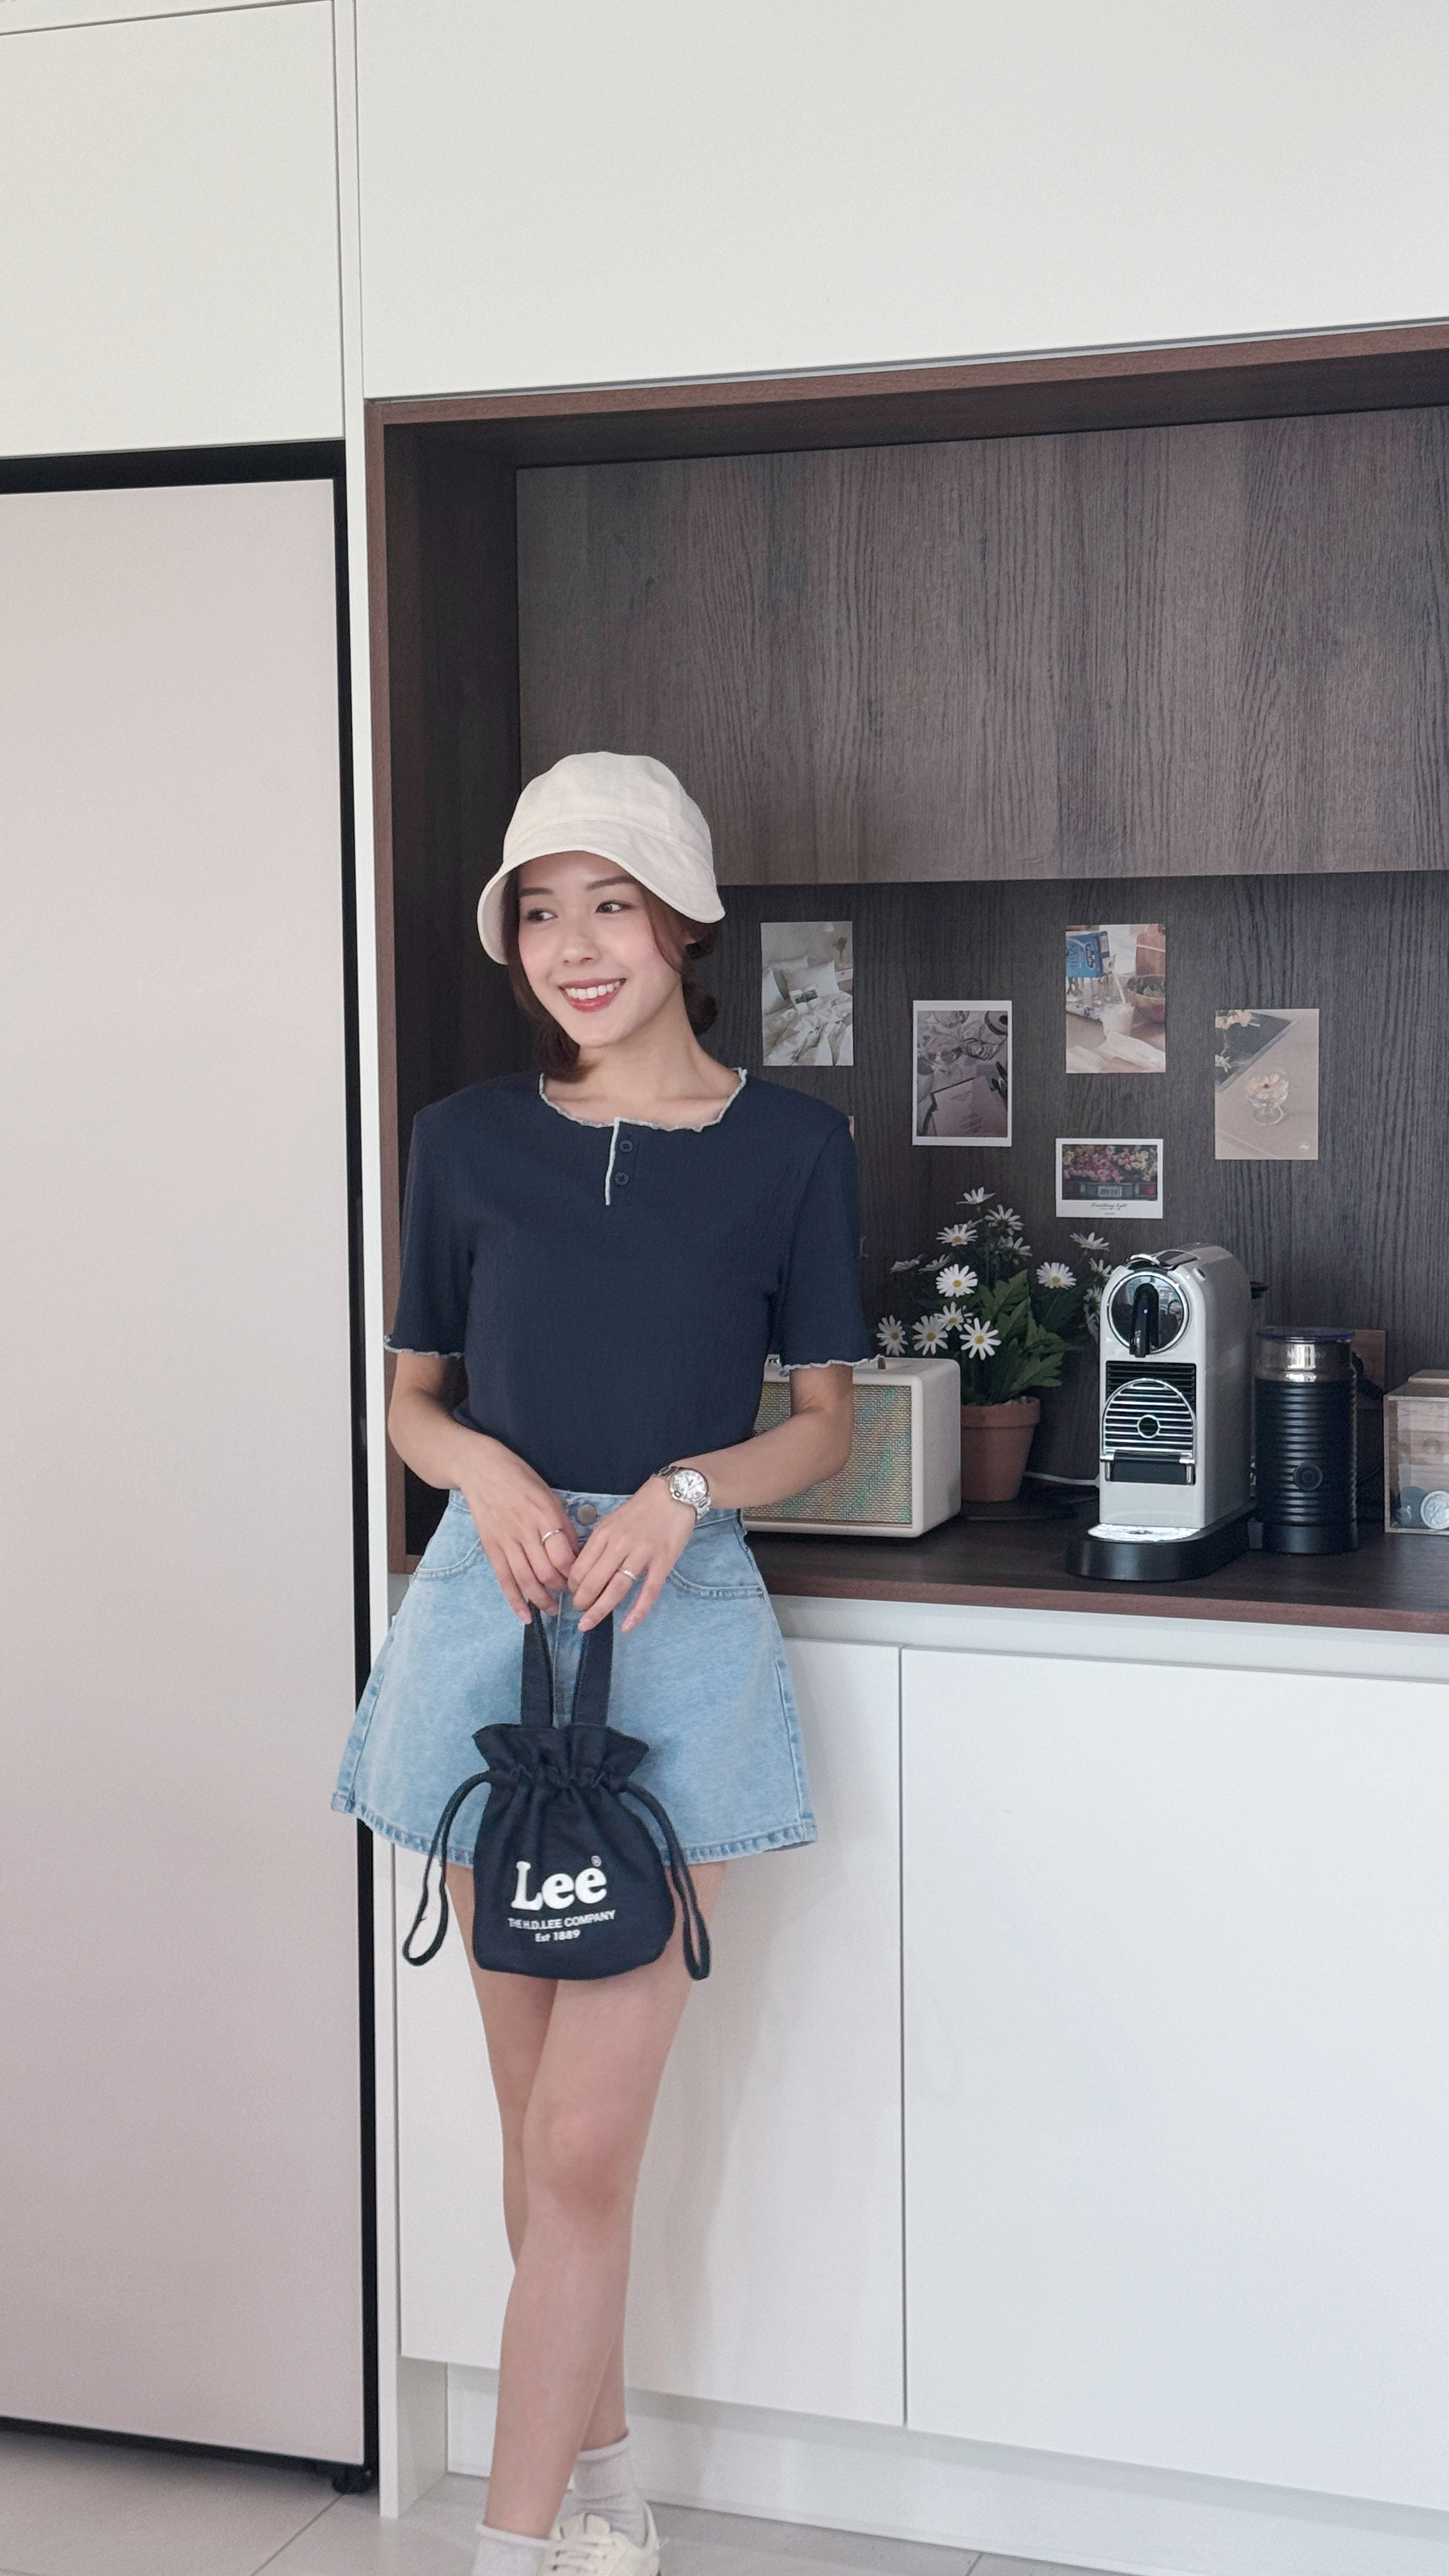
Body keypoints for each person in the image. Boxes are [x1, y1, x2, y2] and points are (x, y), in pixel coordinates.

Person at [333, 752, 871, 2576]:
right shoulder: (465, 1138)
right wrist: (478, 1468)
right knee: (531, 2123)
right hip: (487, 1620)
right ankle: (606, 2487)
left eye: (610, 905)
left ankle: (505, 2549)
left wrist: (685, 1489)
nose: (573, 946)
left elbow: (824, 1426)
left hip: (670, 1621)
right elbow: (412, 1401)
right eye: (540, 912)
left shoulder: (793, 1148)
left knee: (579, 2145)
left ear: (684, 921)